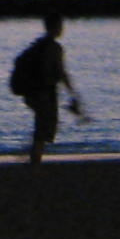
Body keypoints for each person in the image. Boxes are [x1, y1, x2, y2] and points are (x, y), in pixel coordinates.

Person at [10, 14, 86, 165]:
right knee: (44, 127)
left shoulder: (38, 46)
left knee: (43, 126)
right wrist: (72, 92)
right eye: (60, 26)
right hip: (44, 92)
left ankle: (33, 157)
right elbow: (61, 72)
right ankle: (34, 160)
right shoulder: (54, 48)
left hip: (32, 92)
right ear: (55, 27)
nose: (61, 29)